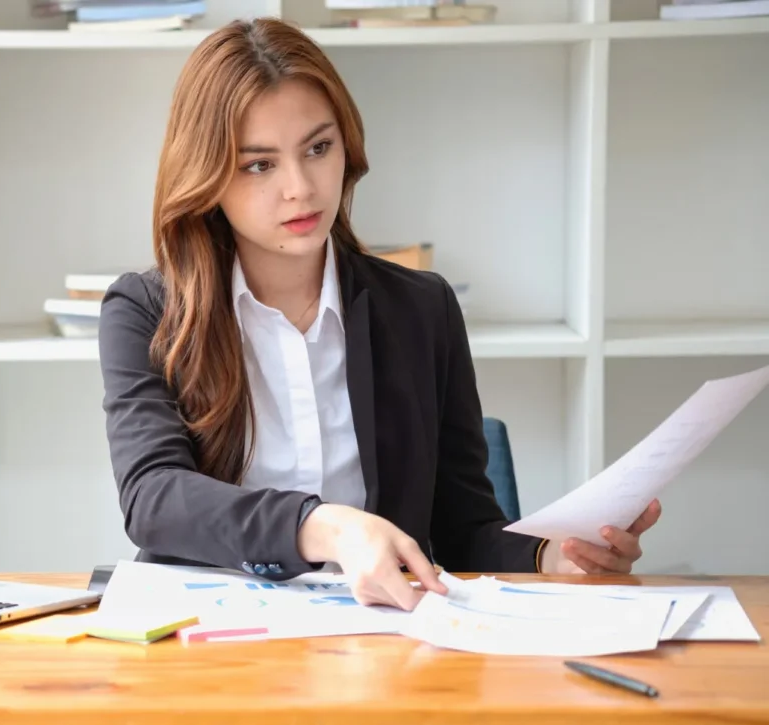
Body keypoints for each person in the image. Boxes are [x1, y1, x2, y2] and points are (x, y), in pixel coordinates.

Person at [97, 17, 661, 611]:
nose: (301, 188)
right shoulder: (147, 311)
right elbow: (153, 498)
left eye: (318, 148)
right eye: (259, 164)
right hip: (205, 637)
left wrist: (553, 558)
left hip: (381, 639)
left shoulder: (422, 309)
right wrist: (328, 527)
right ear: (208, 174)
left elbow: (464, 529)